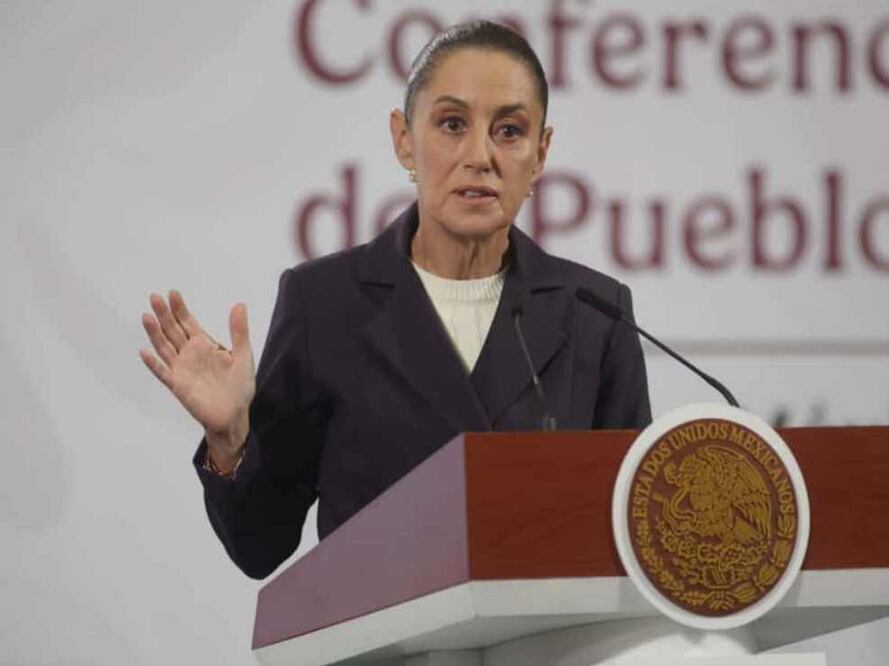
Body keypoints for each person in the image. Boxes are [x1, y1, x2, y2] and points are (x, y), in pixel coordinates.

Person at [138, 21, 651, 579]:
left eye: (509, 131)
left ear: (541, 151)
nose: (480, 155)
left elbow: (633, 538)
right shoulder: (324, 304)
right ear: (404, 138)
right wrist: (230, 439)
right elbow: (260, 547)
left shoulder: (593, 311)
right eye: (452, 124)